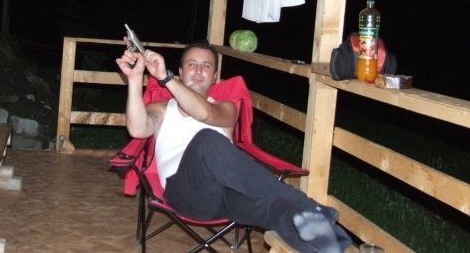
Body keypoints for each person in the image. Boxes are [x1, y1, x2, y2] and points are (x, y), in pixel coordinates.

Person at [116, 40, 351, 253]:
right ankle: (308, 205)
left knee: (275, 209)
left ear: (215, 77)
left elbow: (204, 113)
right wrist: (135, 79)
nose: (198, 71)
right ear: (180, 71)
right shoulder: (162, 109)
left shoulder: (225, 107)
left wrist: (167, 79)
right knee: (206, 140)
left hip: (227, 195)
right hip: (186, 192)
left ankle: (330, 244)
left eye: (206, 66)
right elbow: (137, 129)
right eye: (191, 64)